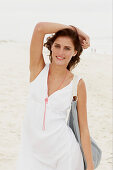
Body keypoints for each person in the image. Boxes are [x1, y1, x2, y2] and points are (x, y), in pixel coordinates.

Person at [16, 22, 94, 170]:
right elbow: (39, 28)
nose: (61, 52)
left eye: (67, 48)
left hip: (64, 153)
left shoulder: (77, 83)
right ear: (51, 47)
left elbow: (83, 128)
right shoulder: (37, 69)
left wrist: (89, 166)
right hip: (31, 152)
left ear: (75, 52)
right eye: (57, 46)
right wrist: (76, 30)